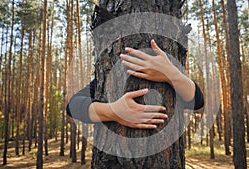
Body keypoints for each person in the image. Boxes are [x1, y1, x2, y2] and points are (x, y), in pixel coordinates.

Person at [66, 39, 204, 129]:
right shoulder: (106, 79)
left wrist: (172, 75)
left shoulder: (169, 72)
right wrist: (112, 111)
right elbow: (73, 106)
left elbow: (196, 100)